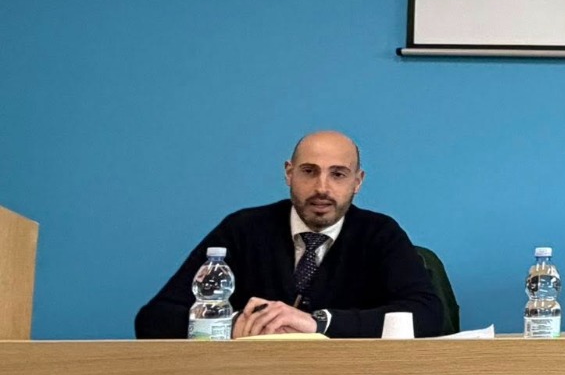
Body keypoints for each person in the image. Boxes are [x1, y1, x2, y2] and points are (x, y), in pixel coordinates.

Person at [134, 131, 445, 338]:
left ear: (357, 181)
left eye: (338, 174)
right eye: (309, 171)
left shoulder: (380, 234)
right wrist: (234, 325)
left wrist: (318, 323)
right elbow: (154, 319)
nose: (322, 188)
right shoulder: (243, 229)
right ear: (289, 173)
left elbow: (428, 316)